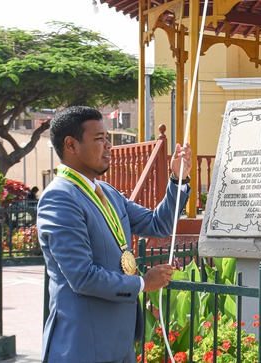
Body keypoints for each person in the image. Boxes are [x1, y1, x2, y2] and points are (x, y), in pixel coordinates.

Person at [37, 106, 192, 363]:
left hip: (119, 343)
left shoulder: (106, 192)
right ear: (71, 145)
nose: (109, 146)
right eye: (99, 139)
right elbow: (82, 277)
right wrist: (143, 283)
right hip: (84, 346)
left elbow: (158, 224)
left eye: (107, 138)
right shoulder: (59, 198)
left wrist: (177, 180)